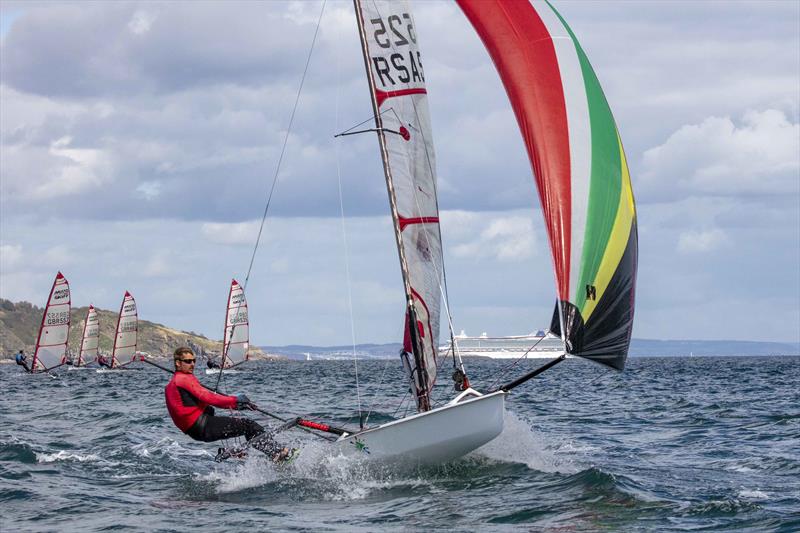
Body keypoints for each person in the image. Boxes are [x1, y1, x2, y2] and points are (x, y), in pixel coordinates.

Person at [164, 347, 288, 461]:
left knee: (241, 425)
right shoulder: (184, 379)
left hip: (196, 431)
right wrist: (235, 401)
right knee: (249, 425)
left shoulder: (173, 384)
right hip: (203, 427)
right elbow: (209, 397)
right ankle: (279, 452)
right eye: (188, 361)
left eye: (194, 361)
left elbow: (191, 405)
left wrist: (235, 405)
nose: (192, 364)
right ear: (177, 363)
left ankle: (273, 454)